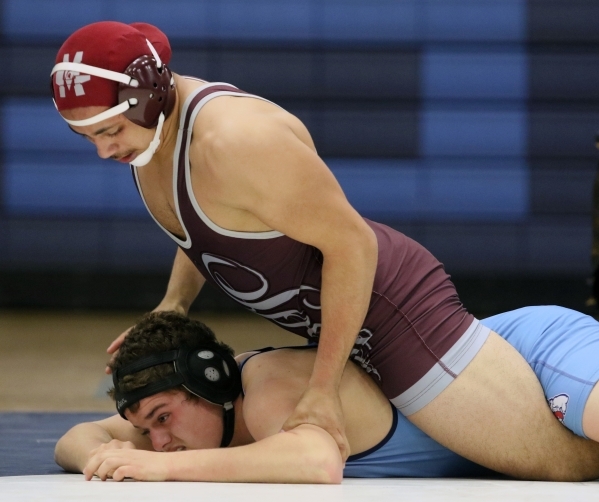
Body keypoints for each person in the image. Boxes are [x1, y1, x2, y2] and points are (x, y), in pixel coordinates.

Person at [50, 20, 587, 477]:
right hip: (368, 336)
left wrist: (324, 387)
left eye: (110, 130)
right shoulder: (150, 144)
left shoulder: (235, 140)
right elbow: (205, 232)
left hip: (397, 318)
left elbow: (352, 243)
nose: (103, 151)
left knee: (566, 465)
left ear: (146, 97)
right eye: (86, 138)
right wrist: (173, 305)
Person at [54, 307, 599, 483]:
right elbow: (76, 438)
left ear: (211, 385)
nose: (159, 440)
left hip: (524, 355)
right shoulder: (186, 420)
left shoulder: (269, 389)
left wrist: (162, 470)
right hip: (492, 414)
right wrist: (104, 458)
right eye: (147, 427)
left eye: (163, 418)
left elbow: (317, 461)